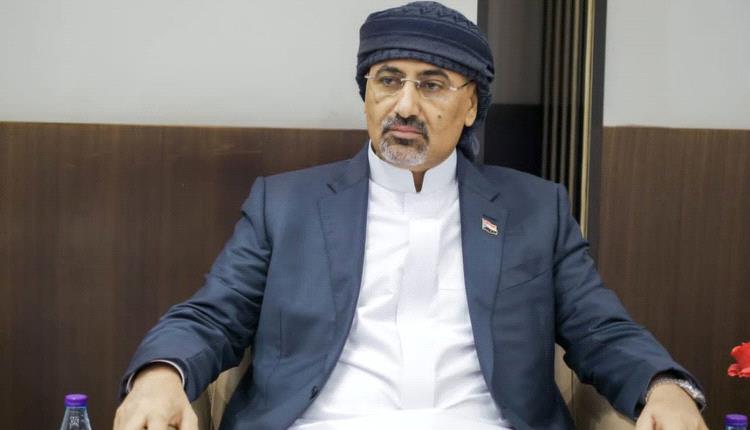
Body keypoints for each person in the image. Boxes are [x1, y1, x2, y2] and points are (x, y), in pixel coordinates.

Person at [114, 2, 708, 430]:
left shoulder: (535, 210)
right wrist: (160, 374)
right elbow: (213, 316)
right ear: (366, 94)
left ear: (471, 105)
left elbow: (600, 329)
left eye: (432, 85)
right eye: (389, 80)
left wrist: (665, 387)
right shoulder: (286, 204)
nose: (405, 104)